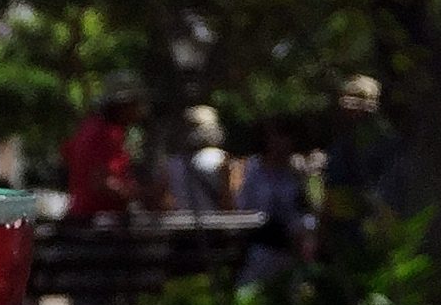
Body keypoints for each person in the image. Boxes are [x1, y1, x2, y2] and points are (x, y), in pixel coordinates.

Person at [320, 75, 403, 248]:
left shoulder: (382, 139)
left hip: (366, 222)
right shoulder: (344, 136)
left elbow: (386, 184)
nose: (348, 107)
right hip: (339, 221)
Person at [236, 125, 315, 286]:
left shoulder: (296, 172)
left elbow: (304, 208)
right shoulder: (253, 169)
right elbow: (244, 205)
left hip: (291, 246)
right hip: (261, 243)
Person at [61, 78, 144, 218]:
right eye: (134, 105)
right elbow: (100, 182)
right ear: (121, 106)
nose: (138, 111)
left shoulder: (92, 128)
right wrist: (140, 194)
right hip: (95, 219)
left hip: (92, 216)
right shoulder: (102, 133)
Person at [161, 104, 228, 213]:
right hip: (216, 223)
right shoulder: (220, 158)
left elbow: (166, 200)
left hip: (181, 224)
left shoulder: (172, 164)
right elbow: (229, 199)